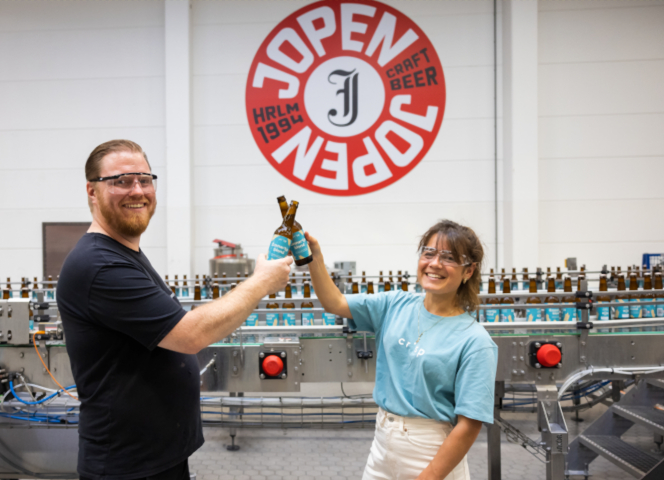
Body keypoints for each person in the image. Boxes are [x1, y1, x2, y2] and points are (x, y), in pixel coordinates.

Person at [57, 140, 292, 480]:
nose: (137, 190)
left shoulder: (125, 254)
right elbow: (191, 334)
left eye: (144, 179)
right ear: (92, 191)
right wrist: (261, 283)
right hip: (126, 467)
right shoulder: (99, 264)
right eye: (121, 180)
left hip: (156, 458)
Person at [306, 220, 497, 480]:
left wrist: (428, 476)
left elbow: (469, 424)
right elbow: (334, 301)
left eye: (449, 257)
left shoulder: (475, 340)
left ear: (468, 271)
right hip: (383, 446)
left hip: (431, 452)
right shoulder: (394, 304)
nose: (435, 263)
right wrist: (315, 259)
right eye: (429, 253)